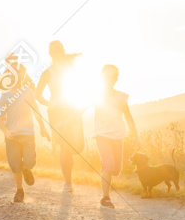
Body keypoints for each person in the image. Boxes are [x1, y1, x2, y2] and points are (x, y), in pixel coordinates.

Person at [0, 55, 50, 203]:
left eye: (21, 73)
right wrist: (5, 131)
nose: (18, 75)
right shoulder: (5, 96)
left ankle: (27, 168)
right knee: (14, 166)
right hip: (11, 136)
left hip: (27, 135)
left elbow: (36, 111)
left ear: (23, 75)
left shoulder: (28, 92)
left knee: (30, 162)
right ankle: (19, 191)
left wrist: (43, 127)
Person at [35, 40, 84, 192]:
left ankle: (59, 148)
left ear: (63, 51)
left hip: (72, 109)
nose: (58, 53)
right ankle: (68, 182)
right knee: (66, 147)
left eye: (60, 50)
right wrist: (49, 104)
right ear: (50, 54)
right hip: (56, 112)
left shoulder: (72, 69)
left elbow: (80, 87)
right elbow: (37, 94)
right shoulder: (47, 73)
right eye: (54, 51)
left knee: (78, 146)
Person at [94, 64, 139, 208]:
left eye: (113, 77)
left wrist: (136, 136)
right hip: (101, 135)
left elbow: (128, 117)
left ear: (116, 79)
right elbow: (79, 109)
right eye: (107, 76)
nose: (110, 79)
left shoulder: (121, 97)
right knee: (108, 165)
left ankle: (105, 169)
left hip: (117, 136)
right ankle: (105, 198)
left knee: (116, 170)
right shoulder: (96, 95)